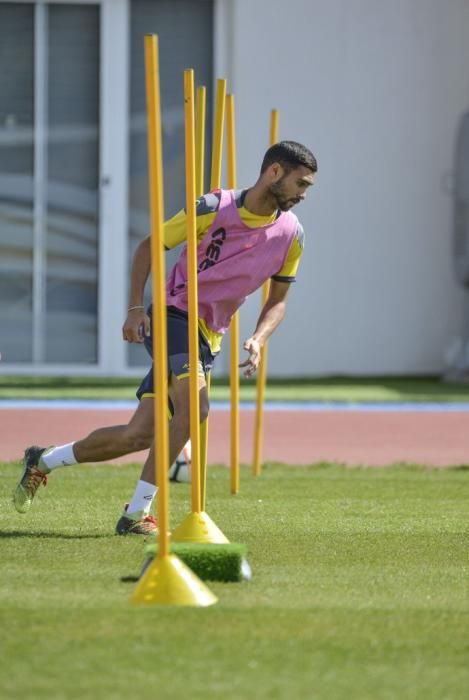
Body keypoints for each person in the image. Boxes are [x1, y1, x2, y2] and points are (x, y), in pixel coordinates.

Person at [13, 140, 318, 534]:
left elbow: (277, 301)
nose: (304, 194)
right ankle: (136, 515)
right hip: (174, 315)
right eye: (301, 183)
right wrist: (134, 309)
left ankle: (43, 460)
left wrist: (259, 337)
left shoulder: (292, 236)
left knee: (138, 435)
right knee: (198, 410)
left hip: (209, 336)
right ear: (274, 172)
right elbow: (150, 246)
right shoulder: (214, 206)